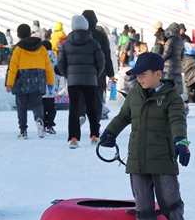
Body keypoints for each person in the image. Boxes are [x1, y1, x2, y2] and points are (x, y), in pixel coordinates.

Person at [99, 52, 194, 220]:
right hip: (137, 159)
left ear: (158, 74)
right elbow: (124, 117)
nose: (139, 78)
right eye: (137, 75)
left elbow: (178, 121)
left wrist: (180, 141)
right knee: (143, 203)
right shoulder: (134, 94)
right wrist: (109, 132)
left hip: (162, 159)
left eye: (143, 74)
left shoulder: (171, 97)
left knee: (171, 199)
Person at [57, 15, 106, 148]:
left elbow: (60, 64)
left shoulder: (66, 45)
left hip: (73, 81)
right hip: (91, 80)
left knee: (74, 109)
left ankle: (73, 138)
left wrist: (69, 75)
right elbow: (101, 63)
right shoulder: (94, 43)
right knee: (92, 108)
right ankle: (95, 135)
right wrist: (95, 75)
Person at [6, 23, 55, 140]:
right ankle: (39, 120)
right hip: (38, 79)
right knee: (37, 104)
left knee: (21, 106)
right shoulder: (42, 48)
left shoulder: (18, 49)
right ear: (30, 34)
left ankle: (23, 131)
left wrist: (9, 83)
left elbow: (13, 67)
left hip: (21, 79)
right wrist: (50, 82)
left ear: (18, 35)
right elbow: (48, 66)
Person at [81, 10, 114, 119]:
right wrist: (110, 73)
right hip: (99, 72)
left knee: (81, 96)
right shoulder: (101, 36)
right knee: (97, 98)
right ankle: (95, 123)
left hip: (81, 71)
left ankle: (81, 114)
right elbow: (107, 55)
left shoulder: (77, 35)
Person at [161, 23, 185, 98]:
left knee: (168, 83)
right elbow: (182, 55)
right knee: (176, 82)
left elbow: (166, 54)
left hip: (169, 66)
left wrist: (160, 60)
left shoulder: (170, 41)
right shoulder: (181, 41)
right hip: (177, 66)